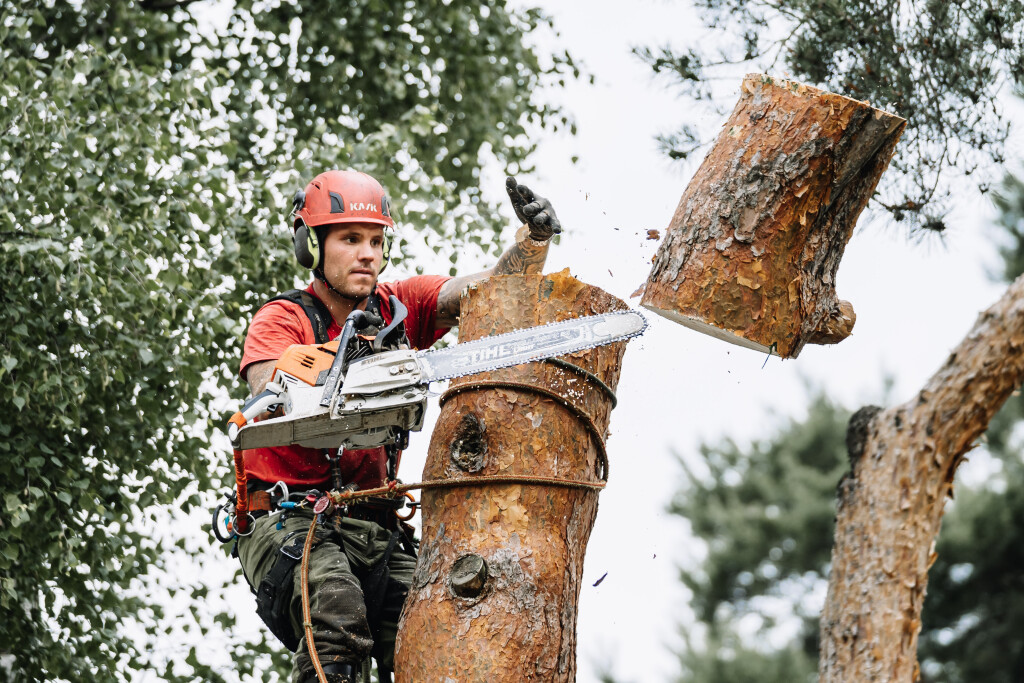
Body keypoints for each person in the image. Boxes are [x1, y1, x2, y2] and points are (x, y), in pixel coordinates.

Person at [235, 169, 562, 683]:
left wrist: (532, 245)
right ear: (313, 246)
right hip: (290, 520)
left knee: (436, 626)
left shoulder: (397, 307)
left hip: (376, 526)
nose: (367, 253)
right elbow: (269, 388)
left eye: (376, 240)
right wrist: (346, 358)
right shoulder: (281, 318)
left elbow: (478, 293)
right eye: (350, 240)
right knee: (336, 618)